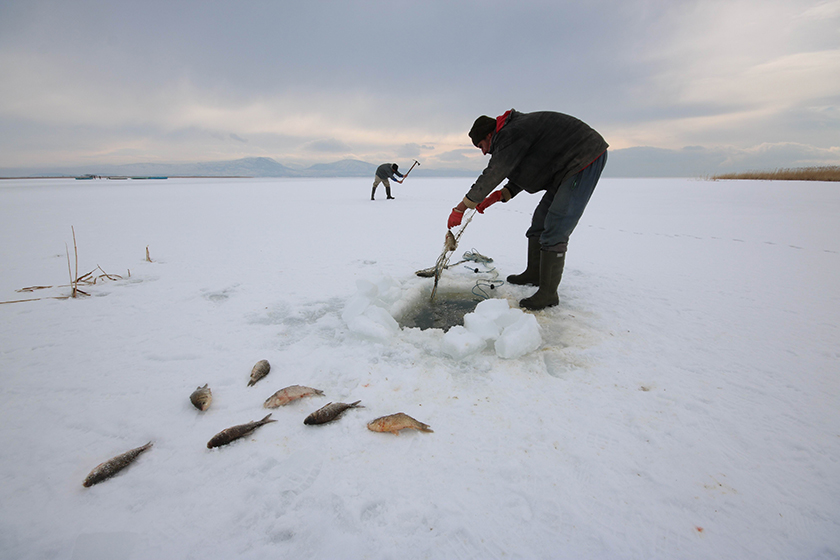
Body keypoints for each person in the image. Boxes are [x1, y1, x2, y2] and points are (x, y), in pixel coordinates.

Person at [447, 109, 608, 310]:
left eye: (481, 146)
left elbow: (494, 173)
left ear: (489, 135)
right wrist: (500, 195)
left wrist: (461, 208)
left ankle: (548, 294)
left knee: (556, 226)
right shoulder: (513, 133)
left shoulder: (512, 132)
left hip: (584, 158)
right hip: (563, 167)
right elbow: (532, 167)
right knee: (540, 221)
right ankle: (535, 273)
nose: (484, 152)